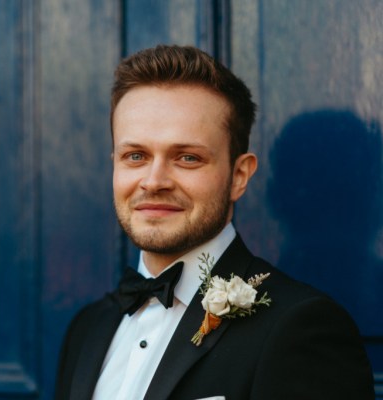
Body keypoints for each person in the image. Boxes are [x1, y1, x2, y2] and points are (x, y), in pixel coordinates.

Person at [54, 45, 374, 400]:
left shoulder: (301, 329)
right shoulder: (86, 329)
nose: (154, 180)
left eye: (187, 157)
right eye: (136, 156)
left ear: (239, 175)